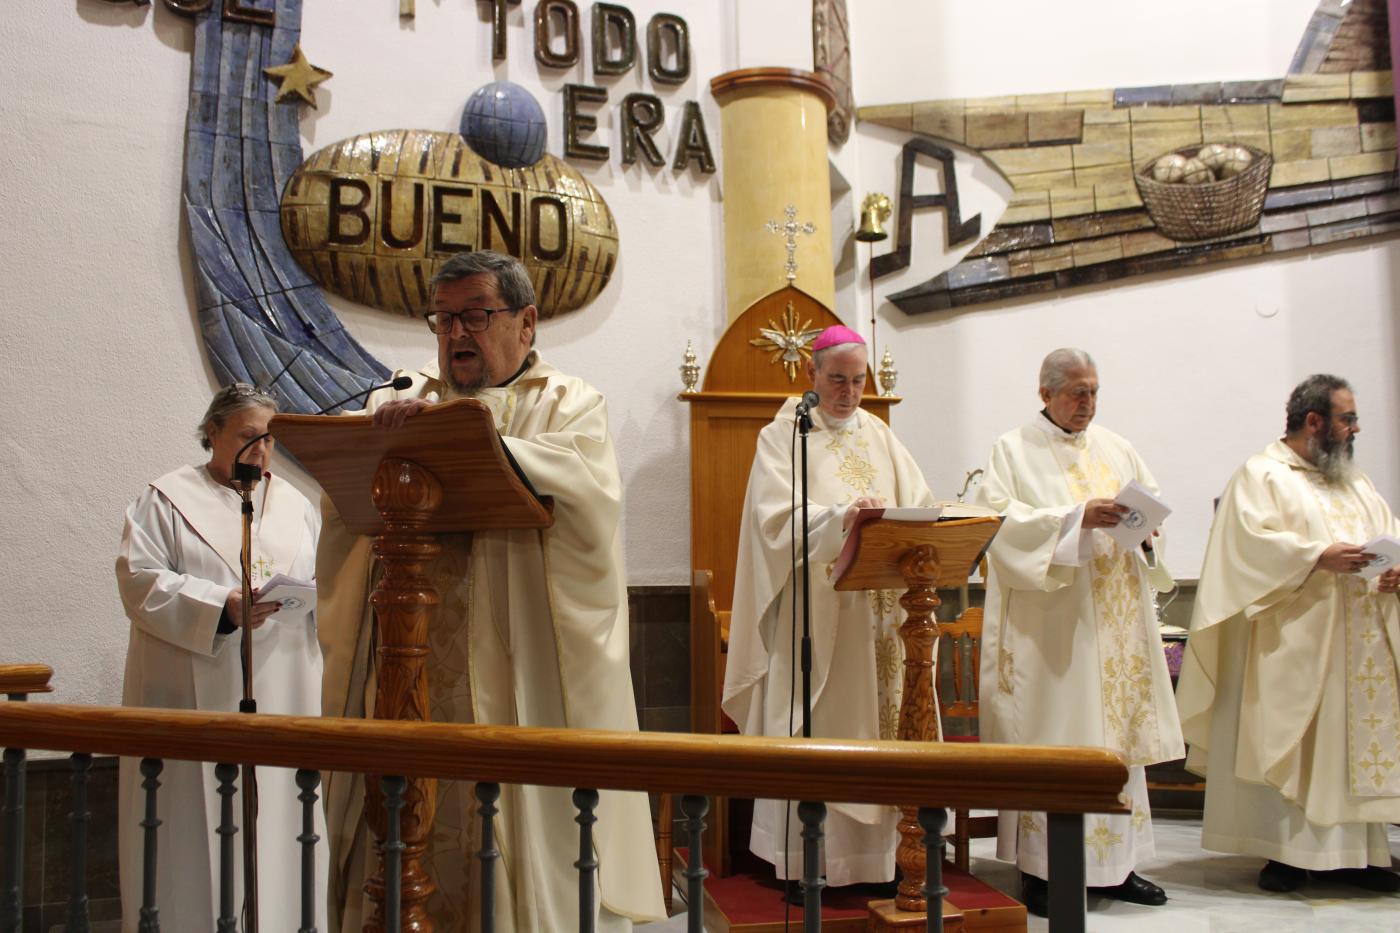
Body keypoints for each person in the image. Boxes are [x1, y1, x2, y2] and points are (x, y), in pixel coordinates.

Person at [317, 250, 664, 932]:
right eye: (443, 320)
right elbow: (346, 505)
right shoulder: (402, 397)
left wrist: (479, 441)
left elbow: (588, 506)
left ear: (526, 322)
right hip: (407, 662)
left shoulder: (567, 404)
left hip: (510, 667)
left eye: (475, 315)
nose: (454, 335)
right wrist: (389, 432)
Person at [722, 325, 934, 891]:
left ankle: (883, 862)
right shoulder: (787, 434)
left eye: (858, 381)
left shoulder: (880, 434)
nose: (848, 392)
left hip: (883, 620)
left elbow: (922, 505)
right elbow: (774, 520)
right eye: (837, 379)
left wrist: (897, 518)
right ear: (811, 375)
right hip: (817, 615)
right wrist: (842, 517)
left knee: (884, 728)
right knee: (822, 724)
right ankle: (809, 862)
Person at [974, 348, 1182, 917]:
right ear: (1045, 394)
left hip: (1115, 624)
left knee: (1118, 741)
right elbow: (996, 522)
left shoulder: (1117, 447)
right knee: (1058, 739)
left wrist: (1143, 532)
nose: (1087, 403)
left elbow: (1151, 511)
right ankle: (1044, 871)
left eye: (1093, 391)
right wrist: (1074, 519)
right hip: (1054, 636)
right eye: (1076, 392)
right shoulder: (1012, 450)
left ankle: (1120, 867)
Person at [116, 383, 328, 932]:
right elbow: (139, 583)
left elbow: (322, 585)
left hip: (282, 688)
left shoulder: (297, 506)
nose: (260, 451)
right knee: (192, 834)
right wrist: (222, 607)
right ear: (212, 433)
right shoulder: (164, 500)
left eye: (269, 439)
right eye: (247, 438)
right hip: (191, 694)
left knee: (282, 830)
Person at [1176, 374, 1400, 894]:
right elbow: (1244, 545)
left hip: (1359, 642)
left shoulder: (1354, 481)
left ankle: (1358, 855)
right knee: (1297, 744)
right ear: (1314, 421)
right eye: (1347, 418)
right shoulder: (1263, 475)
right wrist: (1315, 556)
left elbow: (1388, 531)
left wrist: (1394, 570)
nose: (1355, 428)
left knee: (1350, 746)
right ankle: (1286, 854)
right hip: (1295, 642)